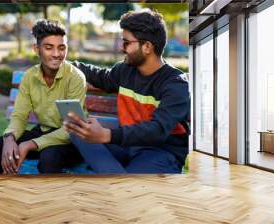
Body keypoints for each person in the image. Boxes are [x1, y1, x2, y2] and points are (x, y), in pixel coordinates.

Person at [65, 9, 190, 174]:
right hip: (126, 146)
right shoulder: (125, 70)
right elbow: (100, 76)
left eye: (126, 42)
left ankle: (119, 181)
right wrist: (64, 64)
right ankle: (119, 178)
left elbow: (157, 130)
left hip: (160, 152)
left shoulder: (175, 84)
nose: (121, 48)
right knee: (78, 132)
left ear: (146, 47)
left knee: (130, 180)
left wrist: (107, 135)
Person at [0, 19, 86, 174]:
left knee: (49, 157)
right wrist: (9, 138)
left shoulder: (75, 78)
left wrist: (30, 144)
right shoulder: (29, 77)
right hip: (42, 132)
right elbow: (19, 116)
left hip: (72, 140)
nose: (57, 54)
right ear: (37, 49)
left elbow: (71, 129)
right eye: (49, 48)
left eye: (61, 47)